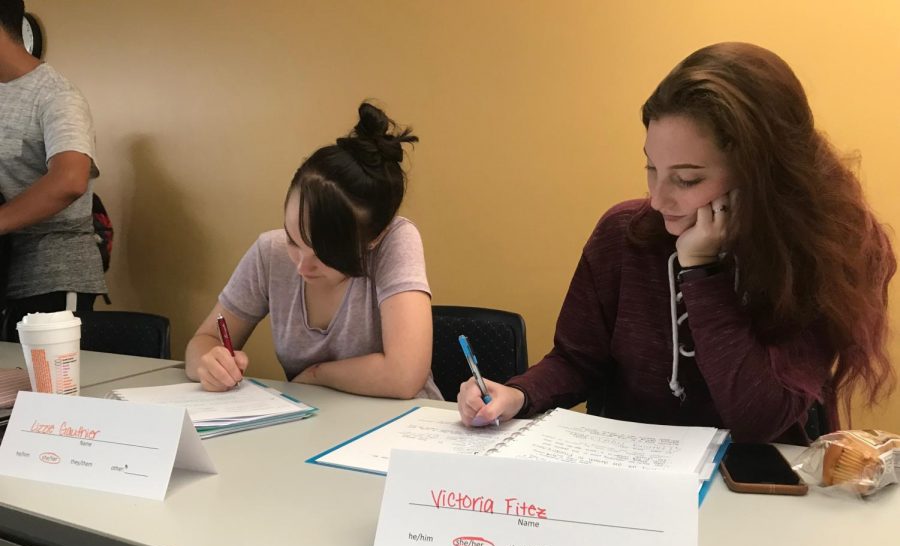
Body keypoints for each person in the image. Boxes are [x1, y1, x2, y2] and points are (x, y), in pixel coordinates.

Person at [458, 42, 895, 444]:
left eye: (687, 179)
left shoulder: (829, 249)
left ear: (764, 175)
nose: (658, 199)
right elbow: (577, 361)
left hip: (754, 488)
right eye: (652, 168)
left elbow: (758, 419)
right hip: (632, 469)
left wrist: (701, 271)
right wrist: (517, 394)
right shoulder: (624, 233)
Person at [186, 102, 442, 400]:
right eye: (294, 240)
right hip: (314, 426)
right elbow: (204, 340)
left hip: (400, 426)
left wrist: (315, 374)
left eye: (325, 254)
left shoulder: (396, 239)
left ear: (374, 238)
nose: (302, 267)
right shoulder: (270, 251)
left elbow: (403, 376)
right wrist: (209, 364)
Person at [0, 0, 106, 336]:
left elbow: (70, 179)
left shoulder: (56, 96)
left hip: (52, 276)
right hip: (6, 272)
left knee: (48, 387)